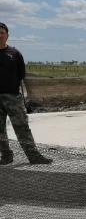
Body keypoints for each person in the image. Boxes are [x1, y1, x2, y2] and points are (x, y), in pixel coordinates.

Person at [0, 23, 52, 165]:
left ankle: (34, 157)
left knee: (22, 127)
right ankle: (6, 156)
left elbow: (21, 74)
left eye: (2, 32)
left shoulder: (14, 54)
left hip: (13, 97)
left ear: (7, 36)